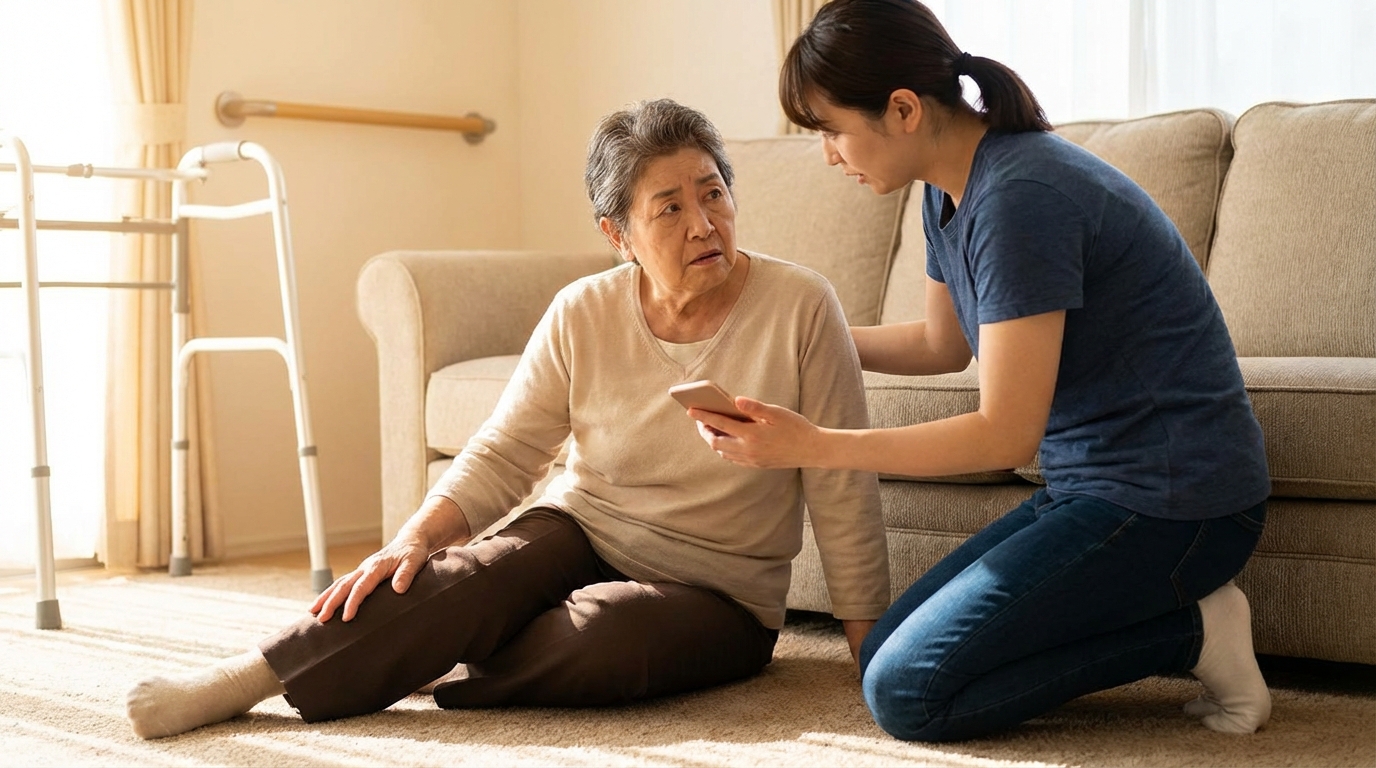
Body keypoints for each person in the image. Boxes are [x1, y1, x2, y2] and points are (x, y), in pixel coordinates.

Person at [124, 98, 891, 740]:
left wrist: (868, 649)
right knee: (461, 575)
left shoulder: (800, 306)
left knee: (607, 639)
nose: (703, 223)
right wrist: (415, 538)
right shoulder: (583, 312)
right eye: (670, 207)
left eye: (713, 193)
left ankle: (434, 654)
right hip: (582, 530)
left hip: (721, 594)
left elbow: (840, 480)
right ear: (617, 234)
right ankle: (250, 677)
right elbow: (507, 450)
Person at [687, 0, 1272, 742]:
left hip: (1178, 505)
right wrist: (795, 333)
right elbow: (943, 345)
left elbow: (1004, 436)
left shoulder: (1021, 197)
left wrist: (813, 444)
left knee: (909, 697)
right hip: (1095, 492)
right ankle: (1181, 622)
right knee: (884, 655)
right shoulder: (949, 189)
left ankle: (1195, 633)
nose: (828, 154)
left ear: (901, 109)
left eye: (831, 129)